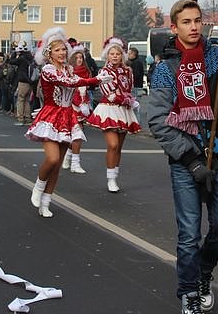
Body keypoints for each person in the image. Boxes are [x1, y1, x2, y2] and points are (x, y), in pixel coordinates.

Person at [148, 0, 218, 314]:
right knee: (189, 233)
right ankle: (190, 296)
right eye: (187, 22)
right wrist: (190, 159)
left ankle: (204, 273)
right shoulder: (165, 69)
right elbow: (159, 121)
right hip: (186, 161)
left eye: (198, 21)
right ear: (175, 27)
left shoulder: (217, 58)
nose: (194, 27)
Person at [27, 28, 107, 218]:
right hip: (50, 116)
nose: (62, 53)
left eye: (64, 49)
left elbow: (78, 80)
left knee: (58, 165)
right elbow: (69, 83)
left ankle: (46, 202)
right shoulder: (48, 70)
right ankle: (38, 187)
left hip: (67, 117)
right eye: (57, 50)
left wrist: (99, 80)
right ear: (49, 54)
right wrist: (95, 79)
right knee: (52, 159)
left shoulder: (69, 70)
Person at [87, 37, 142, 192]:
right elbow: (108, 93)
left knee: (119, 147)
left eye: (118, 53)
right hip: (109, 109)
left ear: (122, 55)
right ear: (107, 55)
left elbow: (129, 89)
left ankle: (114, 176)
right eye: (112, 53)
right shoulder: (104, 72)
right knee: (113, 144)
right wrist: (125, 99)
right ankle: (110, 179)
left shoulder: (127, 71)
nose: (115, 56)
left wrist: (130, 99)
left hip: (124, 110)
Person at [62, 44, 92, 174]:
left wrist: (85, 103)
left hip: (82, 105)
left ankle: (68, 157)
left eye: (81, 57)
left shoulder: (86, 72)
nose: (79, 60)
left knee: (77, 134)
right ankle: (75, 163)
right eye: (77, 58)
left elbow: (85, 89)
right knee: (77, 134)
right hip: (71, 106)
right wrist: (79, 103)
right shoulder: (68, 72)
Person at [9, 42, 36, 125]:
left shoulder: (21, 59)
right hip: (30, 82)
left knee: (20, 99)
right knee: (27, 100)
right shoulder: (30, 58)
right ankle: (27, 118)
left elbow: (11, 61)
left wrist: (14, 53)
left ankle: (20, 118)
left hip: (23, 81)